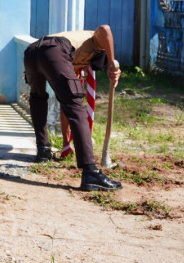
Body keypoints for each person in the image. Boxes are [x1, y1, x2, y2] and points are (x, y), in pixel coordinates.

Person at [23, 24, 122, 191]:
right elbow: (105, 29)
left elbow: (65, 106)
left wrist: (65, 141)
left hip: (33, 51)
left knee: (38, 97)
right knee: (77, 109)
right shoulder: (95, 41)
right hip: (54, 49)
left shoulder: (74, 59)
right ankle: (90, 171)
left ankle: (43, 150)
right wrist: (112, 63)